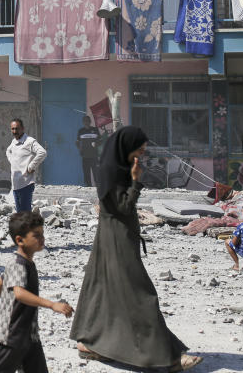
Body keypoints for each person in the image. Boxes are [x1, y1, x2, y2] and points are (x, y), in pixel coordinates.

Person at [70, 126, 202, 372]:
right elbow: (122, 206)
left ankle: (89, 342)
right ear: (126, 148)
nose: (140, 156)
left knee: (103, 289)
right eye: (138, 151)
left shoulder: (114, 168)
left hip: (114, 235)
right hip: (117, 237)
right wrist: (136, 180)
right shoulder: (113, 171)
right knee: (140, 293)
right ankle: (168, 357)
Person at [0, 211, 74, 373]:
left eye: (42, 234)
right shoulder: (18, 264)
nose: (42, 239)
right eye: (36, 235)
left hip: (29, 334)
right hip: (12, 335)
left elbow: (2, 280)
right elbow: (19, 293)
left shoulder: (27, 263)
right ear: (20, 240)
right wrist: (52, 305)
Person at [5, 119, 47, 213]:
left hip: (26, 184)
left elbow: (42, 152)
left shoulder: (30, 141)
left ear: (23, 129)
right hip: (15, 184)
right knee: (20, 213)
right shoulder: (14, 142)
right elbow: (8, 151)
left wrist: (31, 166)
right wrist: (12, 161)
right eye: (12, 129)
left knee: (25, 213)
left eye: (17, 129)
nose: (15, 131)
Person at [76, 116, 100, 187]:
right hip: (85, 156)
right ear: (83, 122)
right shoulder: (81, 131)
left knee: (96, 172)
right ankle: (88, 187)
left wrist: (96, 143)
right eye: (85, 121)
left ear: (90, 122)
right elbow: (77, 142)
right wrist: (79, 148)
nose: (86, 123)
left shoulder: (95, 130)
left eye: (88, 121)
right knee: (86, 173)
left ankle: (98, 187)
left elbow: (100, 140)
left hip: (94, 155)